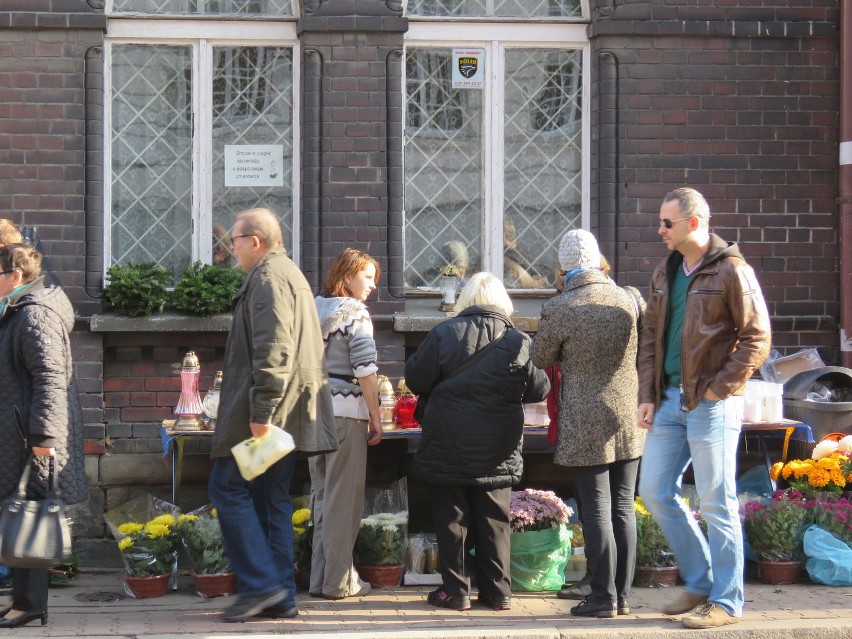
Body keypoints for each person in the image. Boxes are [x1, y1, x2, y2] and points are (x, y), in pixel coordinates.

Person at [636, 188, 771, 629]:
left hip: (712, 403)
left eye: (666, 223)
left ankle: (727, 602)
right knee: (654, 490)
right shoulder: (665, 271)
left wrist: (718, 390)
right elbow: (651, 338)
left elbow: (757, 337)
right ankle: (699, 581)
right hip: (671, 400)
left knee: (717, 501)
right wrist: (647, 395)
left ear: (694, 223)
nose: (660, 230)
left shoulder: (733, 270)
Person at [208, 208, 337, 623]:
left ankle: (262, 585)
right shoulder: (286, 274)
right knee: (272, 500)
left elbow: (275, 348)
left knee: (226, 488)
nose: (231, 249)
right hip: (286, 414)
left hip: (268, 415)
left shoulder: (267, 278)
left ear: (256, 242)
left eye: (236, 241)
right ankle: (280, 594)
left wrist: (262, 410)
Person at [405, 272, 550, 612]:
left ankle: (455, 592)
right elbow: (538, 389)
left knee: (452, 518)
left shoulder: (444, 332)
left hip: (448, 442)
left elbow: (415, 378)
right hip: (497, 447)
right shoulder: (518, 341)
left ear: (465, 299)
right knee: (495, 519)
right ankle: (498, 592)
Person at [531, 230, 646, 618]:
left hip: (584, 417)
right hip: (628, 415)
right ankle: (624, 596)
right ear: (598, 260)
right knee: (623, 507)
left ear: (564, 266)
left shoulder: (562, 306)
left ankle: (602, 597)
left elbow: (541, 354)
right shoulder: (628, 299)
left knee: (595, 508)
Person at [0, 243, 86, 628]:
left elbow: (51, 380)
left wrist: (45, 439)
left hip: (29, 438)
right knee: (18, 514)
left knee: (30, 514)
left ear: (14, 277)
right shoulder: (17, 313)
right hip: (17, 433)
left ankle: (30, 603)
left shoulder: (34, 316)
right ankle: (24, 600)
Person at [309, 248, 384, 600]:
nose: (371, 286)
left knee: (323, 498)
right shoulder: (354, 314)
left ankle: (320, 579)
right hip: (344, 414)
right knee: (345, 501)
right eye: (367, 277)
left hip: (312, 413)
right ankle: (340, 582)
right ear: (348, 275)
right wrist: (376, 416)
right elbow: (366, 371)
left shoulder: (313, 308)